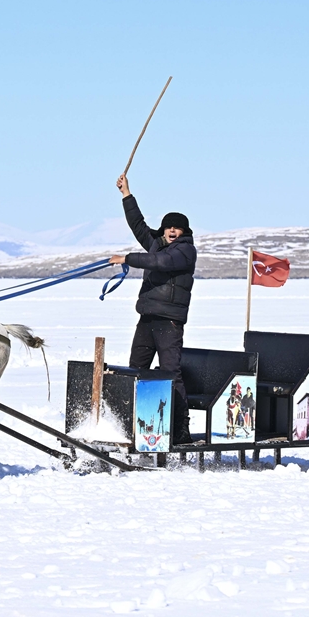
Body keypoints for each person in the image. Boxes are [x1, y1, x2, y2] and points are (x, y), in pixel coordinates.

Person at [109, 174, 197, 444]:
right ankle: (131, 423)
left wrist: (126, 258)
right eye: (168, 227)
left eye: (177, 228)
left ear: (184, 232)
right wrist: (126, 194)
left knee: (171, 374)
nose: (172, 231)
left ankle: (181, 430)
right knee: (136, 369)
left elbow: (160, 262)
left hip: (169, 322)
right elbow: (138, 226)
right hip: (146, 320)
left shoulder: (184, 252)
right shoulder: (158, 244)